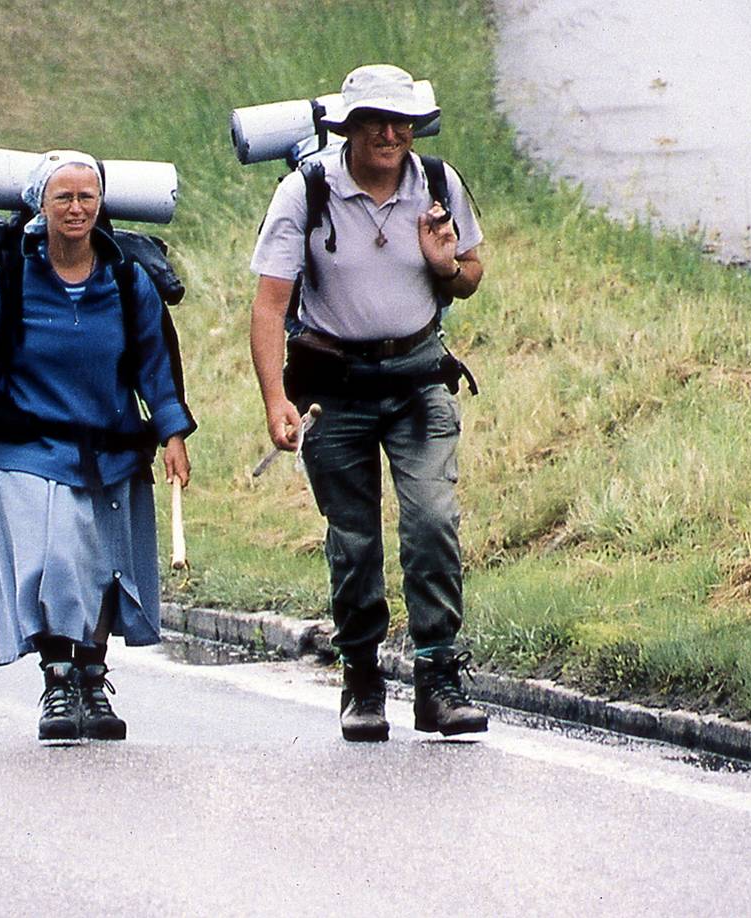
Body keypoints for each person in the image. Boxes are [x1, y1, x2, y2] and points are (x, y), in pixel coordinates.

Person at [0, 150, 195, 743]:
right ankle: (57, 680)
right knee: (53, 562)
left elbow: (156, 365)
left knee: (98, 571)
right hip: (29, 447)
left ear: (101, 206)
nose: (76, 209)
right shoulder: (11, 279)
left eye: (86, 198)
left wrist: (172, 435)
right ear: (39, 208)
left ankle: (92, 685)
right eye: (63, 198)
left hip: (112, 449)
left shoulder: (127, 280)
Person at [249, 64, 488, 741]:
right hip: (334, 391)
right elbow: (269, 306)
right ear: (347, 128)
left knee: (432, 523)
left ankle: (438, 678)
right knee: (353, 543)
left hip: (417, 382)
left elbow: (471, 272)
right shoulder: (307, 192)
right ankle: (360, 678)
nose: (390, 134)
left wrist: (445, 265)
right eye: (375, 122)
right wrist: (275, 401)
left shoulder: (437, 183)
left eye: (401, 122)